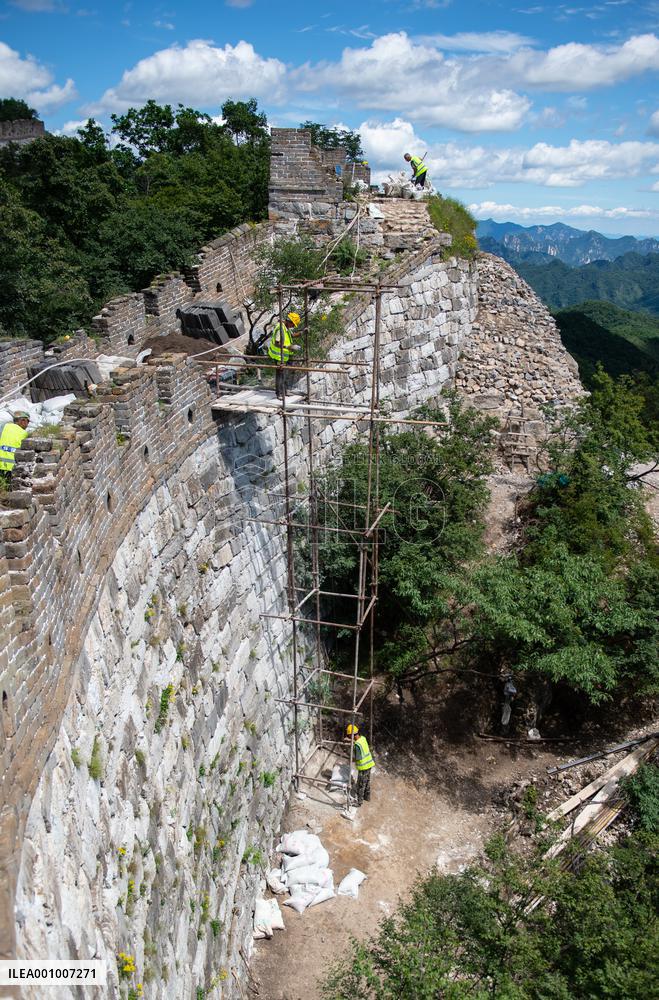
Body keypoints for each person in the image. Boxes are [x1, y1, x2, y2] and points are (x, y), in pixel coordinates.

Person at [267, 312, 302, 398]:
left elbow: (292, 335)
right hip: (279, 356)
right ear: (289, 321)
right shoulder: (280, 329)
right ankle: (279, 393)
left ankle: (284, 391)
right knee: (280, 374)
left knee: (285, 374)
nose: (293, 326)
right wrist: (288, 347)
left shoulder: (286, 327)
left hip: (284, 356)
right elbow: (276, 343)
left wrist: (302, 332)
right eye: (293, 324)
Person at [345, 724, 375, 806]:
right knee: (367, 781)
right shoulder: (363, 738)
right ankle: (367, 797)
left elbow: (358, 758)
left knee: (361, 784)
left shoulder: (357, 746)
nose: (349, 737)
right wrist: (350, 741)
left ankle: (359, 802)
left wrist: (351, 759)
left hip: (363, 767)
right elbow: (359, 744)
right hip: (369, 764)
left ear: (352, 735)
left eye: (349, 736)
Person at [0, 411, 30, 487]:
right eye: (28, 421)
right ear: (22, 420)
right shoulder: (24, 433)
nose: (27, 424)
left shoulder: (4, 427)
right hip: (13, 467)